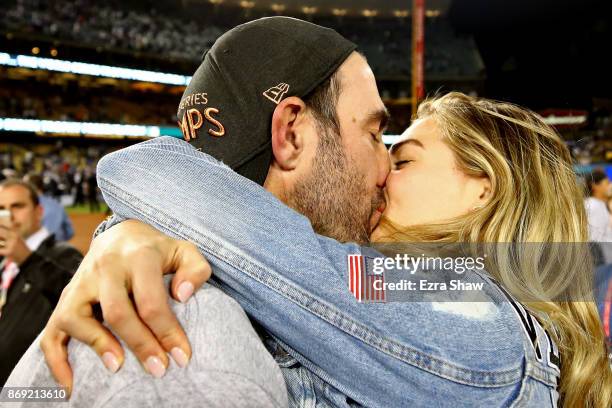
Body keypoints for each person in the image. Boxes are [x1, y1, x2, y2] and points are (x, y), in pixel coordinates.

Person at [8, 18, 611, 408]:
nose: (382, 169)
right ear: (291, 133)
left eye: (403, 157)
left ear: (485, 189)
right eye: (381, 140)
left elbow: (147, 175)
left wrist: (128, 230)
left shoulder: (479, 303)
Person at [0, 179, 82, 385]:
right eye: (1, 208)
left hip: (28, 389)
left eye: (17, 206)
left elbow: (78, 297)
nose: (9, 215)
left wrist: (26, 259)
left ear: (39, 211)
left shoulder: (64, 254)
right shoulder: (5, 260)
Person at [24, 173, 75, 241]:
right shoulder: (56, 204)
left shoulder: (25, 206)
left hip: (35, 249)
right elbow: (70, 232)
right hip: (58, 248)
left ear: (29, 187)